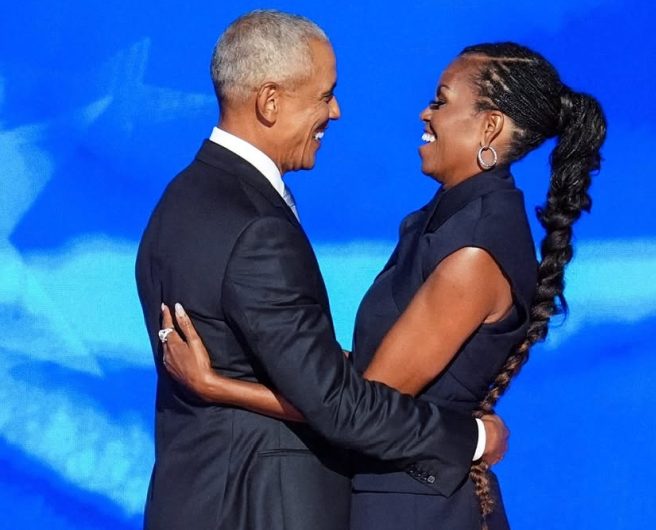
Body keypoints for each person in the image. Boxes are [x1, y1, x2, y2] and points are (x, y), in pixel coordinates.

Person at [160, 41, 607, 529]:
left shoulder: (474, 252)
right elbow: (363, 381)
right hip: (389, 495)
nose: (426, 113)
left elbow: (357, 408)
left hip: (415, 508)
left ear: (490, 126)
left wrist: (217, 385)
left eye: (440, 101)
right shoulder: (441, 223)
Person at [135, 10, 506, 530]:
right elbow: (337, 407)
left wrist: (219, 383)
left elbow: (285, 363)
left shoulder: (182, 199)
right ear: (269, 101)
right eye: (324, 95)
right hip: (261, 510)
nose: (335, 112)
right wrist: (474, 437)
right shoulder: (255, 227)